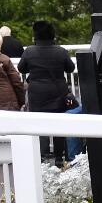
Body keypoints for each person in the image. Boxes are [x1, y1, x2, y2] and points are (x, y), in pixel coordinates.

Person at [18, 21, 75, 161]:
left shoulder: (29, 51)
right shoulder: (61, 51)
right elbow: (70, 68)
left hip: (37, 93)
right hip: (58, 91)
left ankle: (42, 156)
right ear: (52, 35)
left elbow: (21, 68)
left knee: (39, 123)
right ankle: (59, 157)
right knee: (59, 124)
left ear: (35, 36)